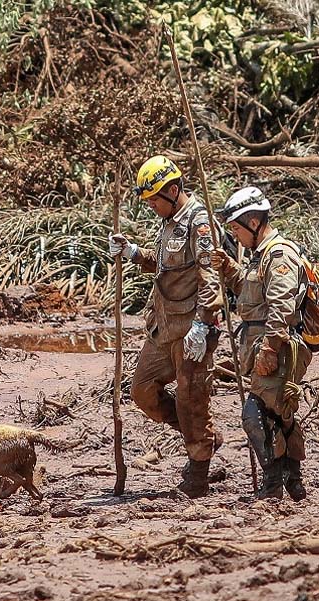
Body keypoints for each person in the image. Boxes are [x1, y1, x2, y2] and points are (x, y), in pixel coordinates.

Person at [109, 155, 223, 497]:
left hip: (191, 329)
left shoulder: (199, 224)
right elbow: (163, 267)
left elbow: (211, 278)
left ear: (174, 190)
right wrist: (132, 252)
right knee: (142, 391)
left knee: (192, 399)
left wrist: (204, 325)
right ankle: (199, 435)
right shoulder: (169, 221)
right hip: (162, 326)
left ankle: (198, 471)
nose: (152, 206)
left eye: (155, 199)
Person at [210, 186, 311, 500]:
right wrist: (228, 269)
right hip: (261, 345)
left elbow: (282, 306)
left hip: (277, 348)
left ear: (254, 223)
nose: (235, 235)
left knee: (255, 415)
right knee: (279, 415)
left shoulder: (279, 254)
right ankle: (292, 483)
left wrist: (269, 348)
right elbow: (250, 291)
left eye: (237, 229)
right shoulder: (259, 257)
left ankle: (272, 486)